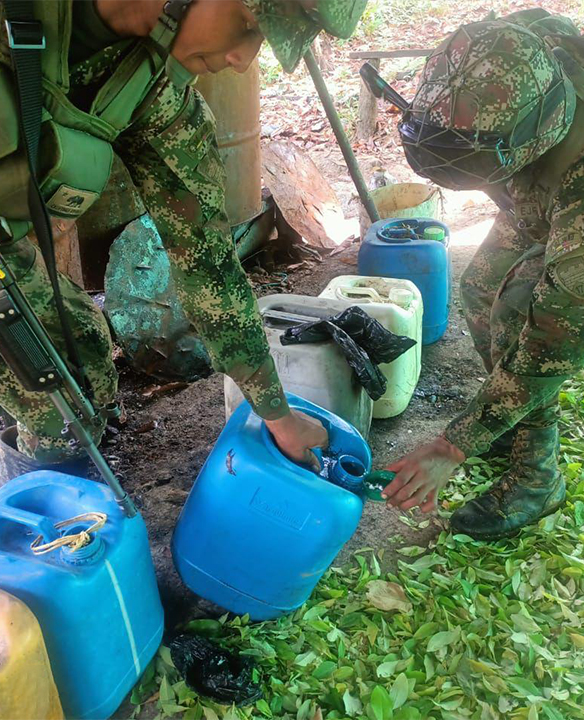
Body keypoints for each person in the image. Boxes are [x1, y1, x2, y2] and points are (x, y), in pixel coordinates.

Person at [0, 0, 363, 476]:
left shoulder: (157, 95)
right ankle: (47, 531)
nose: (242, 60)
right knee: (53, 402)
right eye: (247, 25)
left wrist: (276, 413)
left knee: (80, 362)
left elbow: (208, 265)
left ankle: (68, 495)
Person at [378, 9, 584, 540]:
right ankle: (511, 418)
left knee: (523, 313)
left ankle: (538, 479)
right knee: (481, 288)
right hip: (530, 185)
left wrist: (456, 442)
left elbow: (559, 336)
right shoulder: (494, 54)